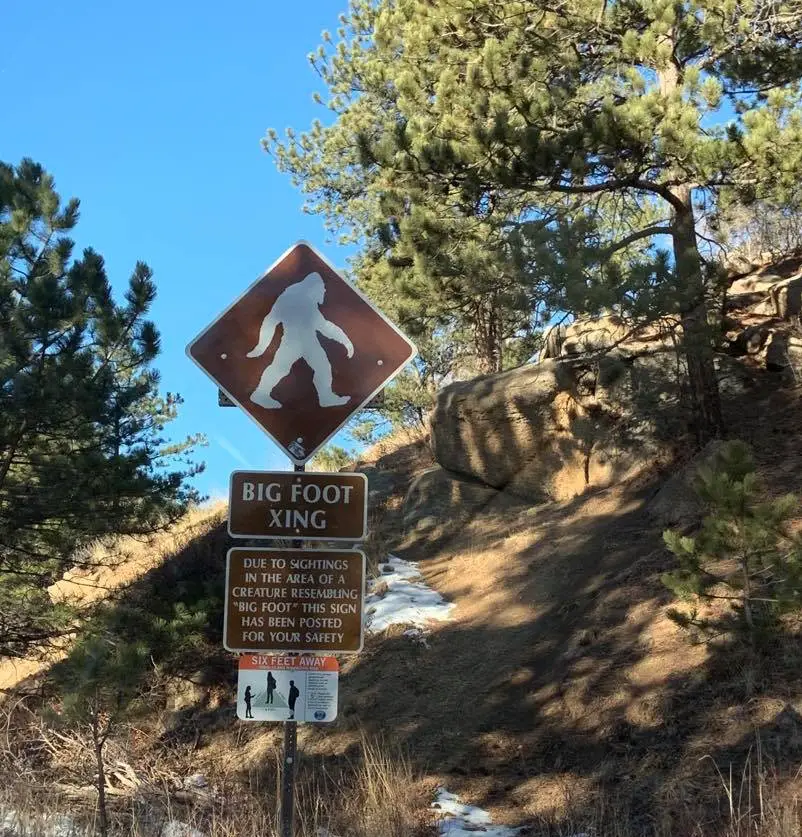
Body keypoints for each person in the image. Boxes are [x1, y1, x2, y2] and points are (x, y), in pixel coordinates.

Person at [246, 271, 354, 410]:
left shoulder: (309, 301)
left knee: (323, 367)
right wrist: (261, 346)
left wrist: (345, 341)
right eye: (321, 289)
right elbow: (270, 321)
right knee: (280, 368)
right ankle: (260, 394)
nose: (323, 292)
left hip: (309, 341)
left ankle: (326, 397)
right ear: (313, 287)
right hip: (292, 341)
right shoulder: (288, 298)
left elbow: (323, 325)